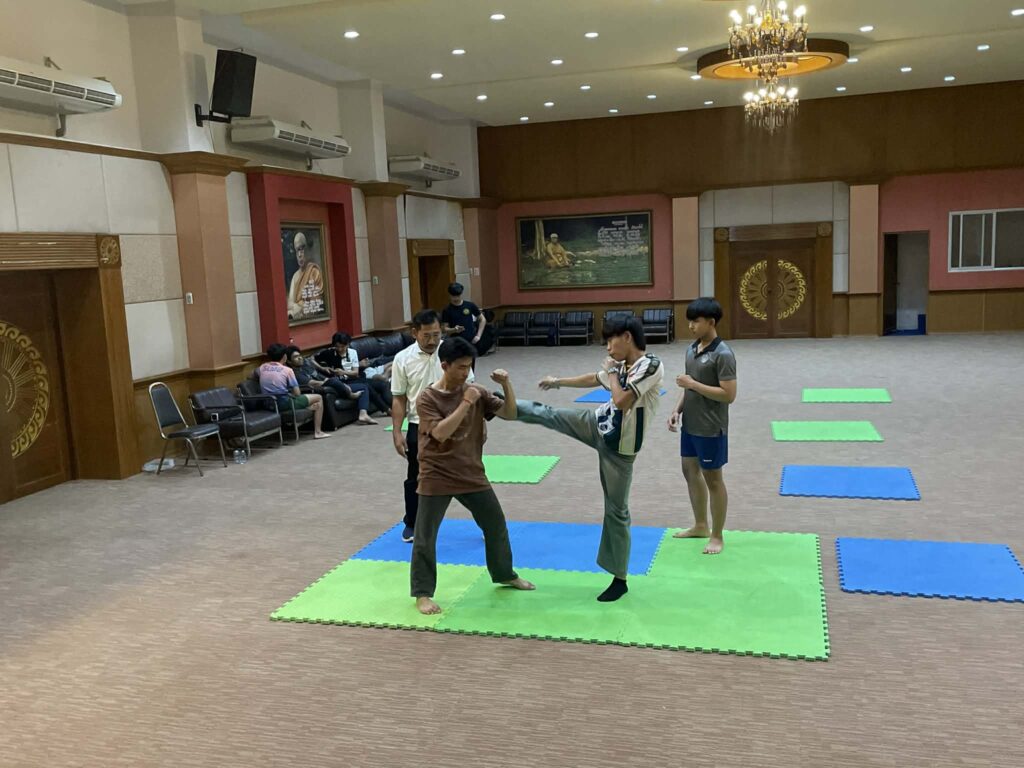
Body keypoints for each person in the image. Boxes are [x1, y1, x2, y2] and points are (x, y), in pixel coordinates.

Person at [517, 316, 663, 602]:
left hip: (620, 450)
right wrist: (557, 382)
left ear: (627, 337)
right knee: (552, 415)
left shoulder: (651, 366)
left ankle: (619, 579)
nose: (607, 348)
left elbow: (622, 400)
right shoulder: (620, 365)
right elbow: (593, 378)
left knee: (616, 511)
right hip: (597, 423)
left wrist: (611, 373)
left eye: (611, 341)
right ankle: (503, 405)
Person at [410, 337, 535, 615]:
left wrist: (506, 385)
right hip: (436, 473)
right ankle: (422, 593)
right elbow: (440, 433)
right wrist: (466, 403)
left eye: (469, 367)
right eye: (461, 367)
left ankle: (504, 574)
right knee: (425, 536)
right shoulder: (428, 398)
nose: (466, 373)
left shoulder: (476, 391)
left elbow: (510, 413)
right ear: (445, 366)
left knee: (495, 524)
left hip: (471, 472)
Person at [667, 297, 737, 555]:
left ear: (711, 322)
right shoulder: (691, 349)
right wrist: (676, 410)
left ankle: (717, 536)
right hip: (690, 425)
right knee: (689, 471)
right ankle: (700, 525)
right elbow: (688, 386)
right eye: (689, 321)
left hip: (711, 428)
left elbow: (729, 395)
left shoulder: (723, 355)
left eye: (695, 321)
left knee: (713, 480)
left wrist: (693, 384)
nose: (691, 326)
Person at [391, 310, 445, 542]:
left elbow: (470, 389)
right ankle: (412, 523)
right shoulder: (402, 358)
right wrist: (397, 432)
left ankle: (487, 523)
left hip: (454, 422)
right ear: (414, 333)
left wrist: (478, 423)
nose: (432, 341)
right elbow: (399, 398)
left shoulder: (452, 351)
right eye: (427, 336)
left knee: (468, 474)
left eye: (436, 334)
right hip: (418, 425)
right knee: (415, 476)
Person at [286, 346, 377, 427]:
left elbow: (312, 360)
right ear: (289, 361)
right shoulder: (294, 373)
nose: (300, 358)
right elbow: (313, 383)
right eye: (295, 357)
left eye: (300, 355)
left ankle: (363, 414)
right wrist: (328, 381)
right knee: (333, 380)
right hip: (323, 388)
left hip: (334, 385)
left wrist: (324, 369)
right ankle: (349, 394)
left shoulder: (306, 365)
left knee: (362, 387)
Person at [258, 343, 330, 439]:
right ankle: (318, 432)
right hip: (284, 404)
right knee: (318, 398)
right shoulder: (287, 370)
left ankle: (309, 408)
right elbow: (297, 393)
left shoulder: (262, 368)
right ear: (285, 357)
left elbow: (251, 376)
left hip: (268, 404)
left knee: (310, 403)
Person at [315, 332, 391, 416]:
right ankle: (387, 410)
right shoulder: (329, 353)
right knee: (368, 387)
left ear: (348, 344)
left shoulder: (352, 352)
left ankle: (393, 406)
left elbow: (355, 373)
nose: (339, 349)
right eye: (337, 346)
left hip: (355, 378)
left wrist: (343, 372)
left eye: (342, 346)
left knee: (382, 385)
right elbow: (311, 359)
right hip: (343, 382)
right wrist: (322, 368)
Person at [440, 282, 490, 356]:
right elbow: (444, 329)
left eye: (458, 296)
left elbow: (482, 319)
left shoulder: (470, 305)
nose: (456, 298)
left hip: (471, 341)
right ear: (450, 295)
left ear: (461, 294)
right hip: (455, 342)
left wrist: (478, 335)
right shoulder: (447, 310)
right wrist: (454, 329)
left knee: (471, 361)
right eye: (453, 296)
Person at [287, 232, 325, 320]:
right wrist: (298, 306)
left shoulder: (314, 272)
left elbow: (315, 305)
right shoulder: (295, 276)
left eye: (302, 249)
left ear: (307, 249)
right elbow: (290, 303)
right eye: (297, 250)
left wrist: (299, 307)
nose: (300, 255)